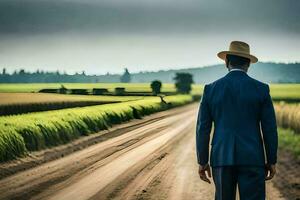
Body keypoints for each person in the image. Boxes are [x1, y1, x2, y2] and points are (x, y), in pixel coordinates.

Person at [196, 41, 278, 200]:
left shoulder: (210, 89)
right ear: (248, 64)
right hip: (253, 157)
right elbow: (269, 128)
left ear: (226, 61)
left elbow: (202, 129)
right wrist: (271, 160)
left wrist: (202, 161)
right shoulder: (261, 89)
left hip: (221, 157)